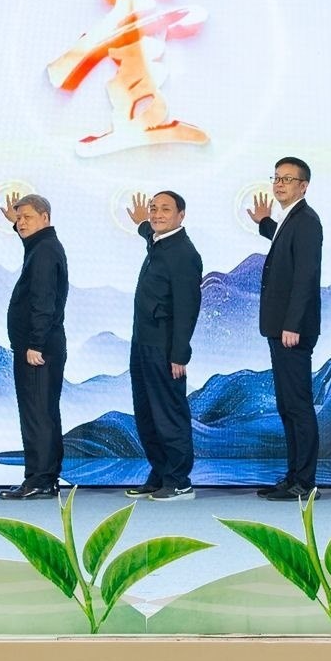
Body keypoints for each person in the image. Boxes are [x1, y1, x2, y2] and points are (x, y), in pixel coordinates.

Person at [247, 157, 324, 501]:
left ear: (303, 186)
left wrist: (292, 323)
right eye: (276, 178)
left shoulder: (306, 220)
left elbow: (306, 275)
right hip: (279, 327)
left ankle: (305, 482)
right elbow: (282, 243)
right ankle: (293, 476)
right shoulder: (290, 219)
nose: (279, 184)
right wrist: (264, 222)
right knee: (287, 405)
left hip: (293, 329)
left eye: (287, 179)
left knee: (298, 405)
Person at [123, 191, 203, 502]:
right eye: (153, 209)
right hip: (142, 343)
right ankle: (160, 474)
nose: (157, 214)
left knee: (169, 414)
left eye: (165, 209)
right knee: (146, 413)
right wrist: (141, 224)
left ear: (181, 215)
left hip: (165, 348)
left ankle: (179, 481)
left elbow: (187, 307)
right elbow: (149, 232)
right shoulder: (159, 241)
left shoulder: (183, 253)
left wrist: (179, 353)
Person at [0, 193, 69, 500]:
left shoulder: (44, 252)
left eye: (27, 217)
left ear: (45, 217)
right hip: (42, 345)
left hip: (38, 349)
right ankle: (45, 478)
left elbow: (44, 301)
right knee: (43, 412)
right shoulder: (43, 246)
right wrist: (14, 225)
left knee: (37, 414)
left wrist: (35, 343)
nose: (21, 223)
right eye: (18, 218)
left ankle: (39, 478)